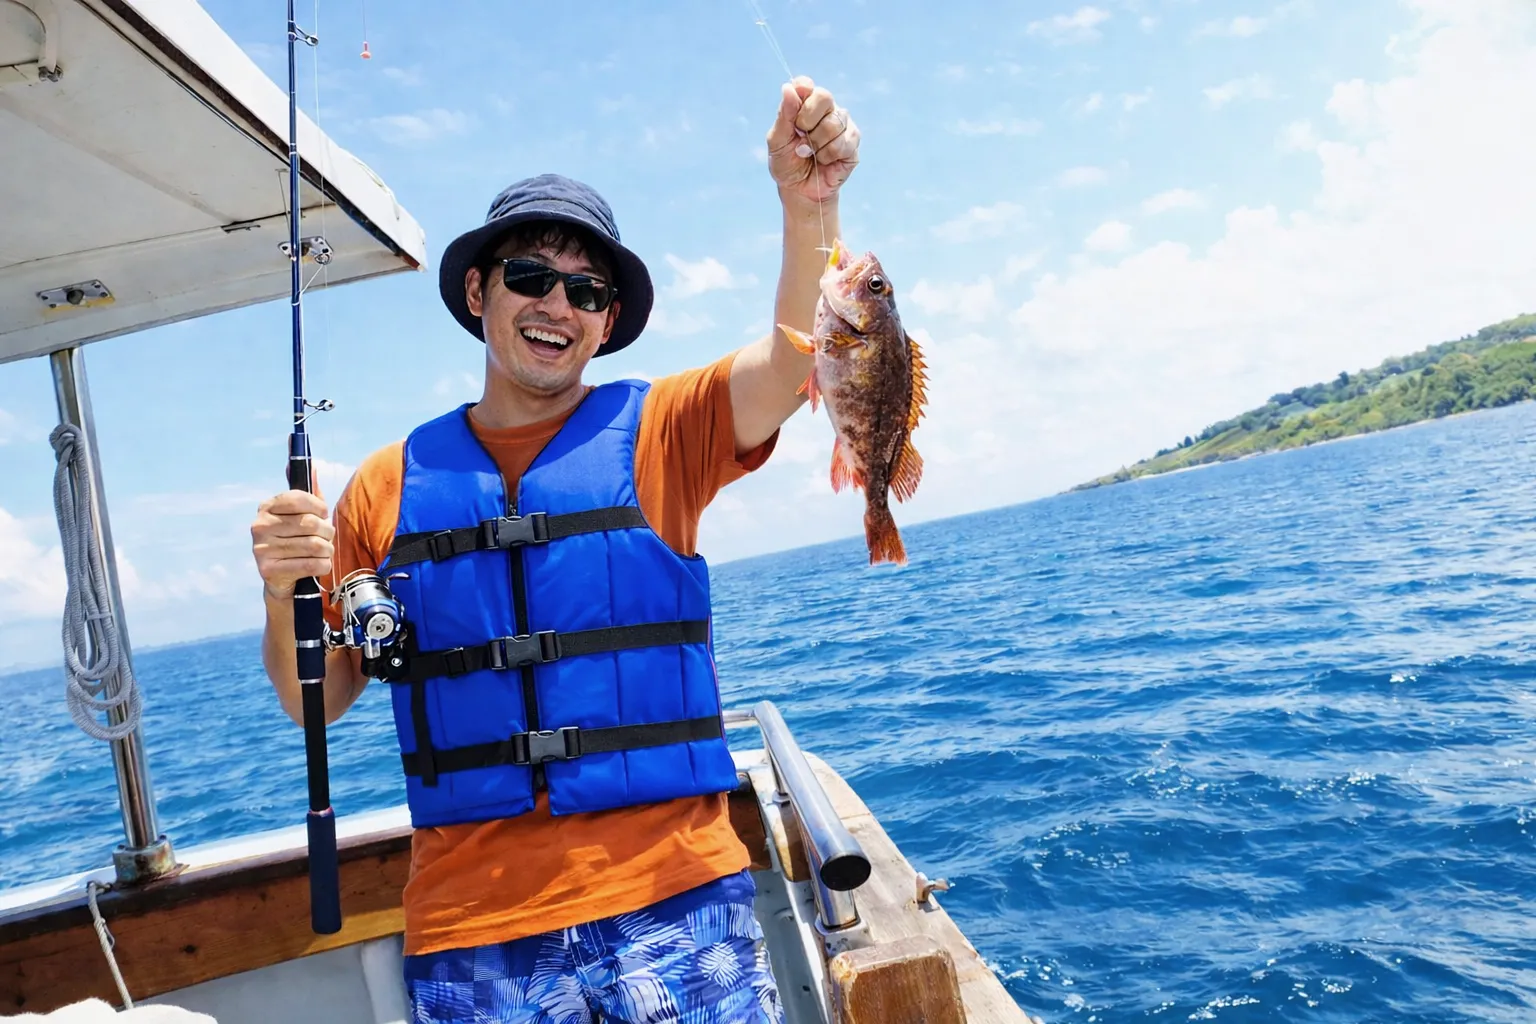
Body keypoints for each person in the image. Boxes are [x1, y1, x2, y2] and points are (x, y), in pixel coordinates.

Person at [249, 77, 860, 1023]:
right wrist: (280, 588)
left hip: (678, 901)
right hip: (473, 934)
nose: (557, 305)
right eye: (531, 276)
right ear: (478, 291)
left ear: (607, 322)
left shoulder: (666, 428)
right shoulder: (383, 485)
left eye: (586, 290)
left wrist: (808, 203)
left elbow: (794, 362)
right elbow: (313, 701)